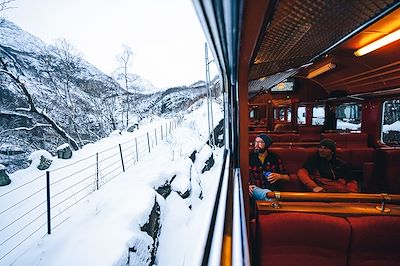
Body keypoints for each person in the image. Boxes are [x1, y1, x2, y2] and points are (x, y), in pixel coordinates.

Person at [248, 134, 290, 200]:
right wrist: (247, 185)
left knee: (272, 195)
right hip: (256, 190)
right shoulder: (249, 158)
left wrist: (279, 176)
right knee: (268, 195)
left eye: (260, 142)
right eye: (256, 142)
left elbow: (287, 177)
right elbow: (242, 176)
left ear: (266, 144)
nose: (256, 144)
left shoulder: (275, 158)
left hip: (273, 191)